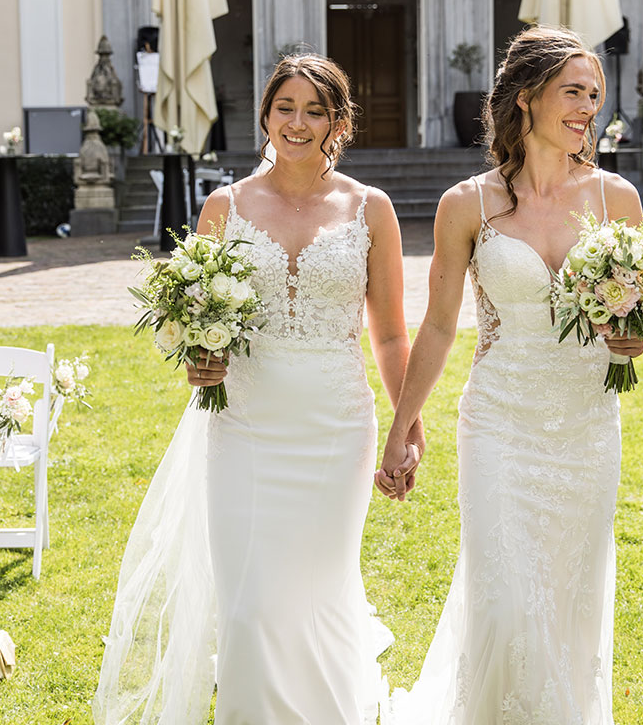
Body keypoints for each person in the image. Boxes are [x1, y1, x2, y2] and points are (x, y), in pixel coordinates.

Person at [93, 54, 422, 725]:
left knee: (318, 592)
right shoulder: (226, 205)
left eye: (314, 111)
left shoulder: (371, 209)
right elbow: (197, 326)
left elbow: (389, 335)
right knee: (246, 604)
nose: (297, 124)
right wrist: (199, 361)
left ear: (338, 121)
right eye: (285, 109)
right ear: (265, 116)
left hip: (336, 426)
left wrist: (406, 424)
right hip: (244, 425)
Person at [382, 26, 643, 723]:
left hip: (586, 428)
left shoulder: (616, 200)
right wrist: (403, 423)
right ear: (527, 99)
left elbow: (639, 331)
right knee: (503, 601)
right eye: (572, 92)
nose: (588, 107)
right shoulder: (466, 204)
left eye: (594, 93)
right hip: (499, 422)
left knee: (569, 599)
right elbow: (439, 325)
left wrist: (628, 339)